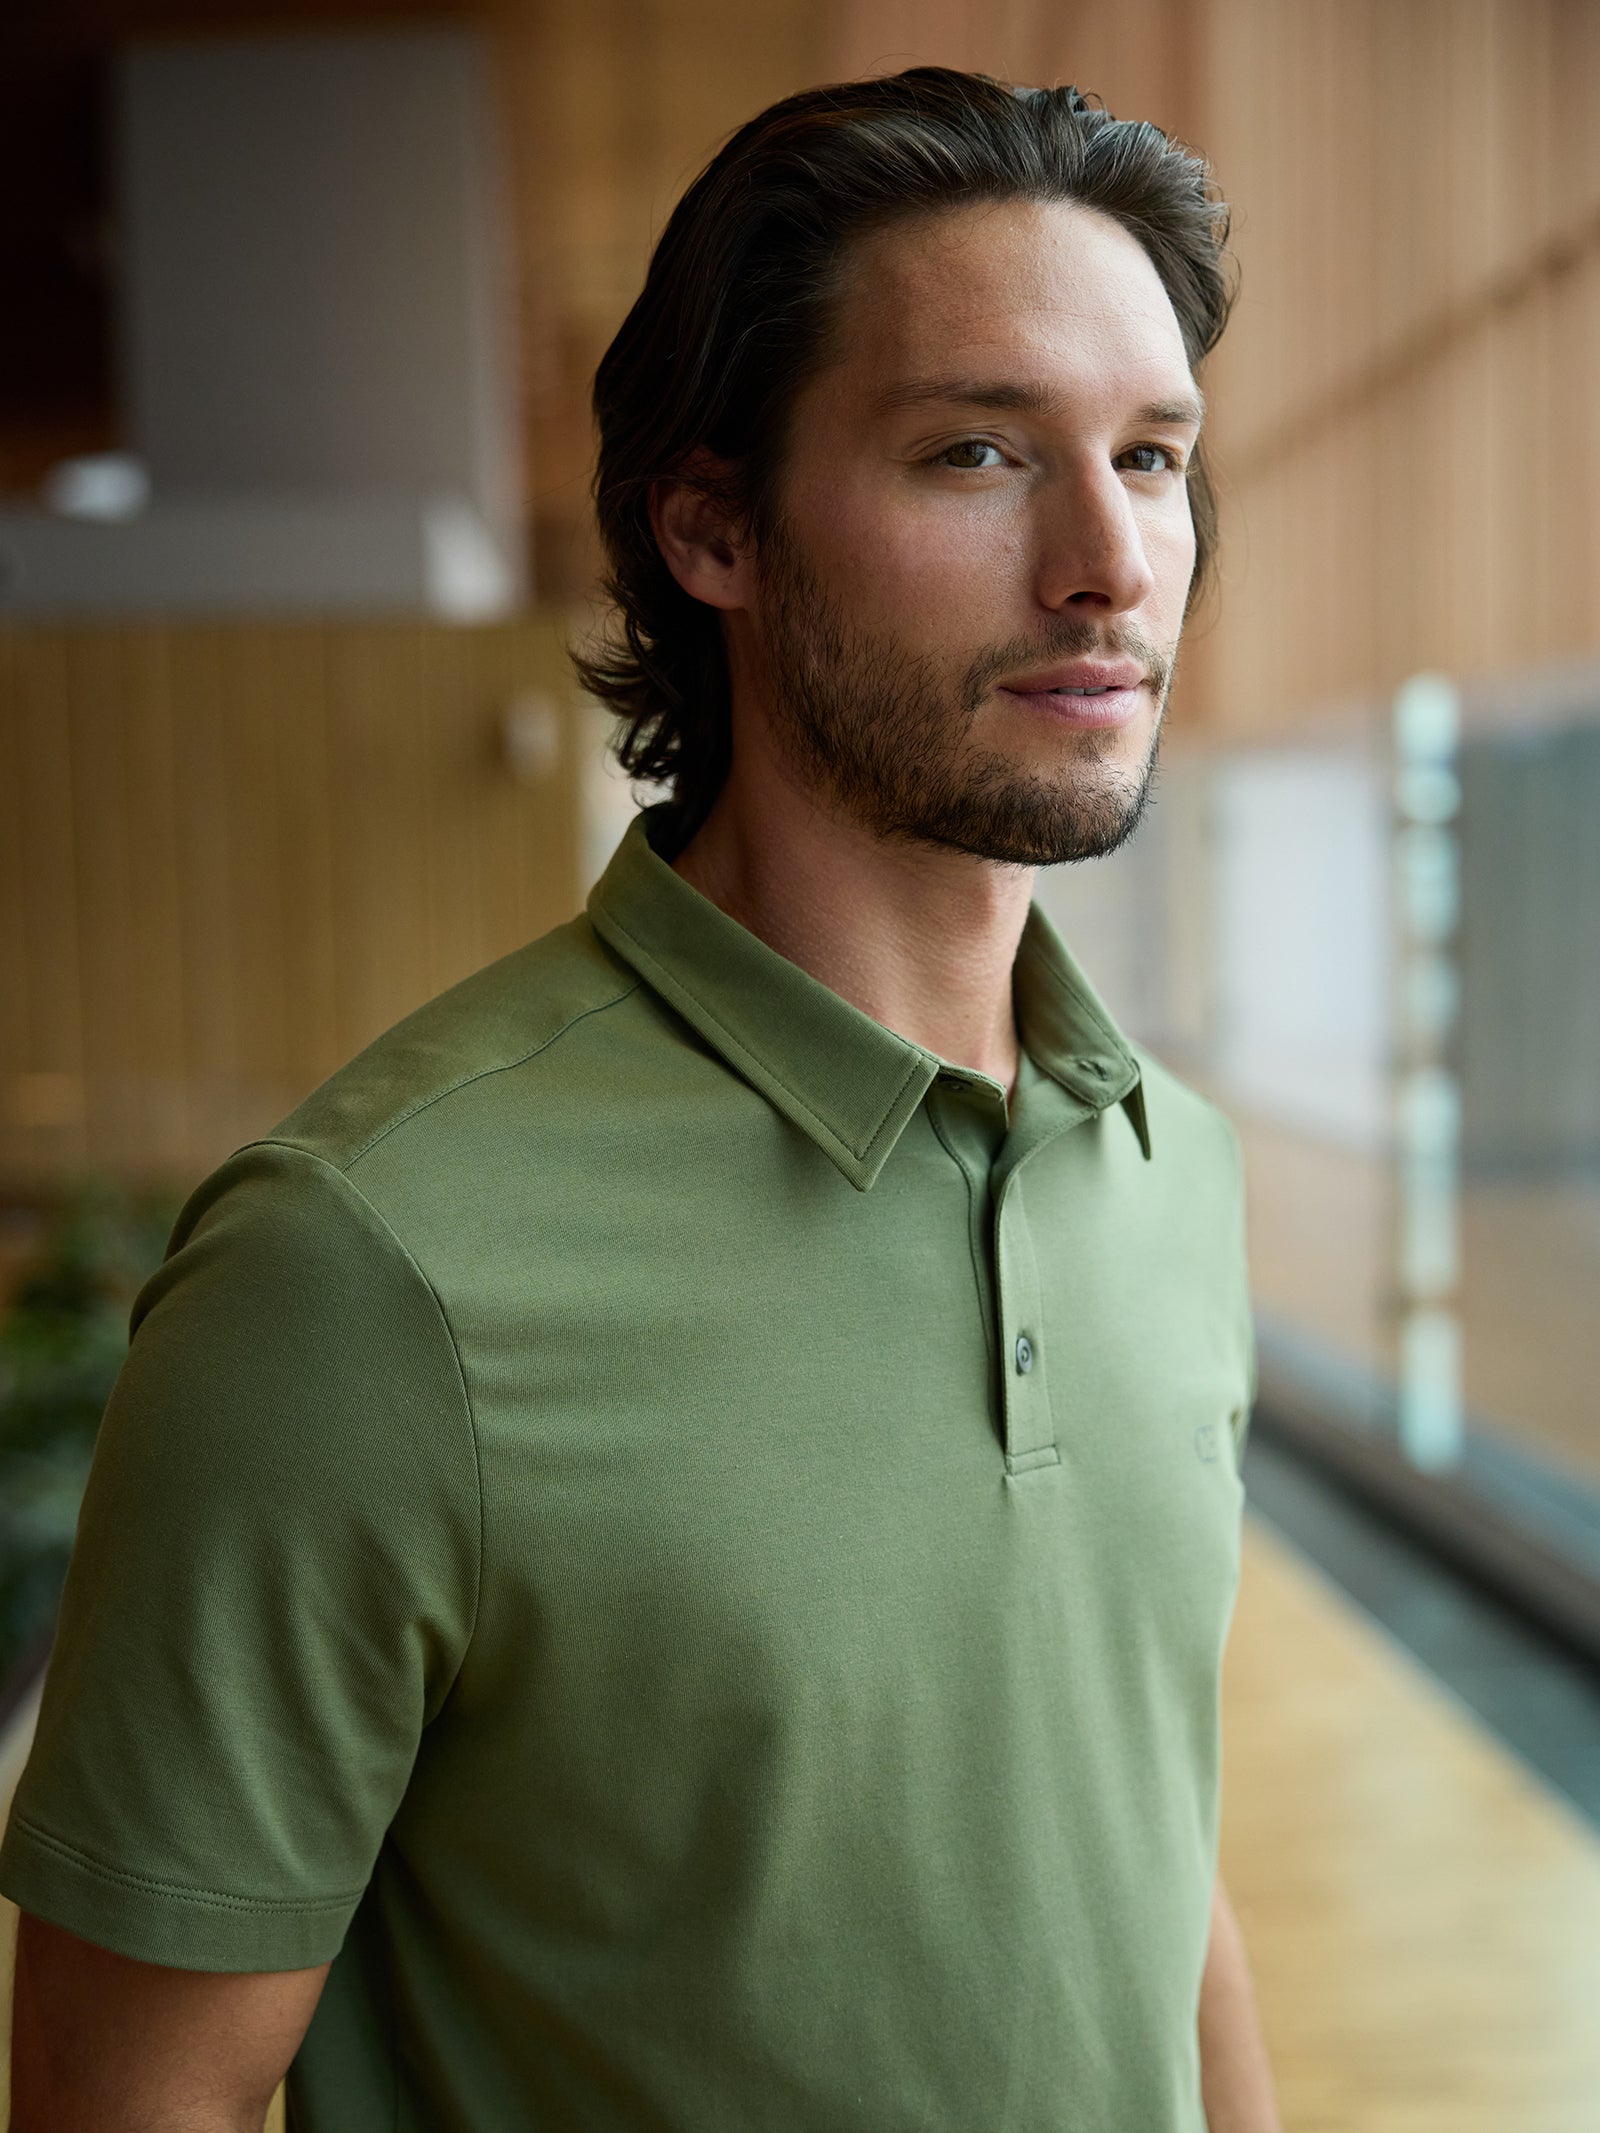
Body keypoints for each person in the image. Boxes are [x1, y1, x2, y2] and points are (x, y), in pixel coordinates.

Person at [3, 66, 1278, 2132]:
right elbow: (123, 2102)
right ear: (711, 526)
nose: (1106, 561)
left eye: (1149, 455)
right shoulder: (361, 1270)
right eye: (974, 449)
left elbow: (1155, 1856)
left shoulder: (1168, 1169)